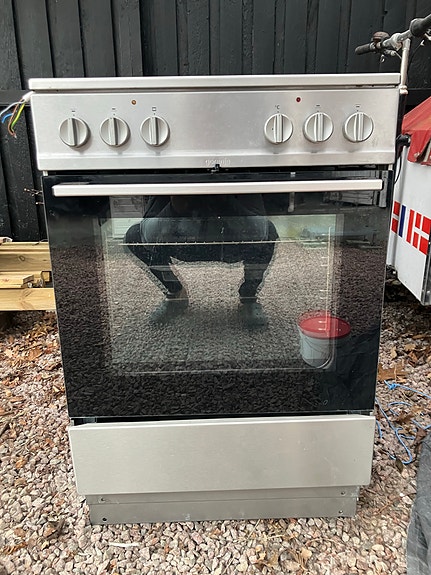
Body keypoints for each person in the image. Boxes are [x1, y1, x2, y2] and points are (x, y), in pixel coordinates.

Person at [124, 193, 278, 328]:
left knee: (268, 232)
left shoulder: (238, 177)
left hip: (229, 244)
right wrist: (174, 208)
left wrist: (227, 202)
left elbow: (261, 232)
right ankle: (175, 292)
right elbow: (147, 236)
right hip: (185, 244)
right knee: (134, 236)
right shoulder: (170, 177)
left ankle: (249, 296)